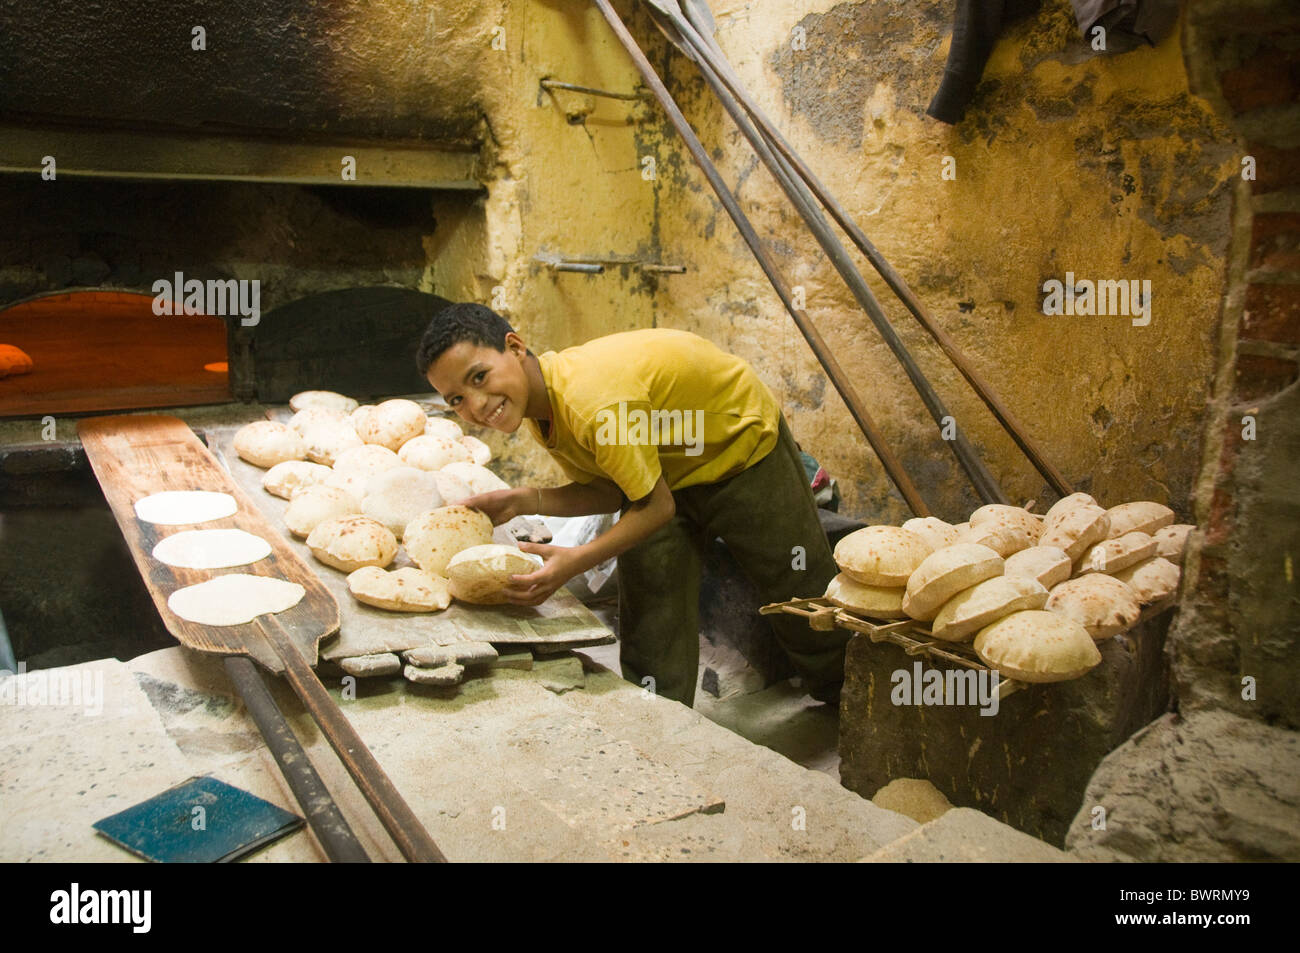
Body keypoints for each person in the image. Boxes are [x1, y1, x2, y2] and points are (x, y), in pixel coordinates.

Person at [416, 301, 848, 707]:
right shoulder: (540, 407)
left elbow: (655, 508)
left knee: (799, 586)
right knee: (650, 606)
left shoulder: (592, 404)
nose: (475, 405)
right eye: (455, 399)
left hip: (738, 449)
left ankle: (845, 698)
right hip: (665, 471)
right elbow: (615, 489)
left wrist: (576, 560)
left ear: (515, 346)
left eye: (478, 378)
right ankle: (657, 719)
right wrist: (524, 499)